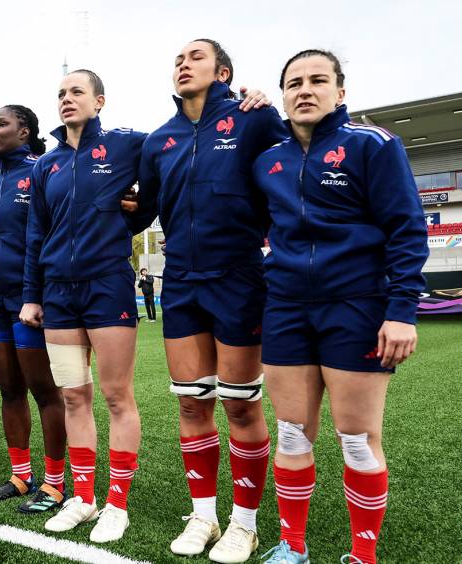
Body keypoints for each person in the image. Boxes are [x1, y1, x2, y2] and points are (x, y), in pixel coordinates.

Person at [254, 49, 428, 564]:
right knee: (290, 432)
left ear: (341, 92)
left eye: (317, 80)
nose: (304, 90)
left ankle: (362, 555)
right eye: (293, 83)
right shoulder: (269, 159)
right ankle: (292, 547)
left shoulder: (372, 144)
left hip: (357, 305)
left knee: (356, 439)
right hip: (285, 307)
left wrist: (401, 310)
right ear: (282, 95)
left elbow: (406, 227)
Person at [130, 38, 287, 561]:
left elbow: (295, 169)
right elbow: (142, 209)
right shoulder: (160, 140)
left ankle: (245, 524)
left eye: (195, 57)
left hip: (240, 275)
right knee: (192, 401)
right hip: (181, 281)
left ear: (223, 72)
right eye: (176, 58)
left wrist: (268, 101)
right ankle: (204, 516)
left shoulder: (254, 119)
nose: (182, 63)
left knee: (241, 407)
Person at [20, 69, 150, 543]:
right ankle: (84, 497)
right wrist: (31, 294)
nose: (66, 99)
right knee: (74, 396)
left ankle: (117, 504)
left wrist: (143, 209)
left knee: (117, 396)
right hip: (57, 293)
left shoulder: (128, 144)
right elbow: (36, 233)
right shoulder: (45, 166)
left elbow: (168, 169)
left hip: (107, 286)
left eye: (77, 91)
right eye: (60, 93)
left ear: (100, 100)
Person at [0, 105, 69, 513]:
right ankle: (20, 475)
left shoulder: (41, 169)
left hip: (30, 299)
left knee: (45, 391)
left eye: (1, 124)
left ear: (24, 131)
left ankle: (55, 482)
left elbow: (44, 234)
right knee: (9, 389)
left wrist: (36, 293)